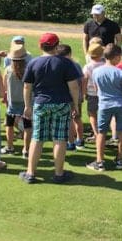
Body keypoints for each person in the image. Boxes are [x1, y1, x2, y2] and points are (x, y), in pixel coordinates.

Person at [19, 33, 80, 184]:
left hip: (41, 104)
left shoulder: (33, 63)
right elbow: (74, 86)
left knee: (37, 138)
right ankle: (59, 174)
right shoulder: (66, 63)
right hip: (61, 104)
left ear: (40, 46)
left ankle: (30, 173)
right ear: (57, 45)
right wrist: (75, 105)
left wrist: (27, 106)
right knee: (60, 139)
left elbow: (27, 87)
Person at [87, 44, 122, 172]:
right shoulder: (120, 73)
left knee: (101, 132)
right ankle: (120, 160)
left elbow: (97, 89)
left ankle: (99, 162)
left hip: (104, 105)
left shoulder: (96, 71)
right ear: (116, 57)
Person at [2, 43, 33, 158]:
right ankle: (26, 149)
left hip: (12, 102)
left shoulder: (8, 70)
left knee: (9, 125)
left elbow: (5, 87)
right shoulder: (29, 70)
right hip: (27, 101)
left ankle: (10, 147)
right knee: (27, 126)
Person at [56, 44, 85, 150]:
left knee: (68, 120)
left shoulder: (60, 66)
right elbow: (82, 80)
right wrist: (82, 93)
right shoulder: (76, 64)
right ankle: (80, 140)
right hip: (77, 96)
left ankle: (71, 142)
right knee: (77, 118)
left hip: (66, 96)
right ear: (70, 53)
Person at [82, 42, 105, 143]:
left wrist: (84, 93)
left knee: (92, 114)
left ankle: (96, 134)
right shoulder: (105, 65)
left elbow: (84, 81)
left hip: (91, 94)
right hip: (104, 94)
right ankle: (103, 133)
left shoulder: (88, 67)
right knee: (103, 114)